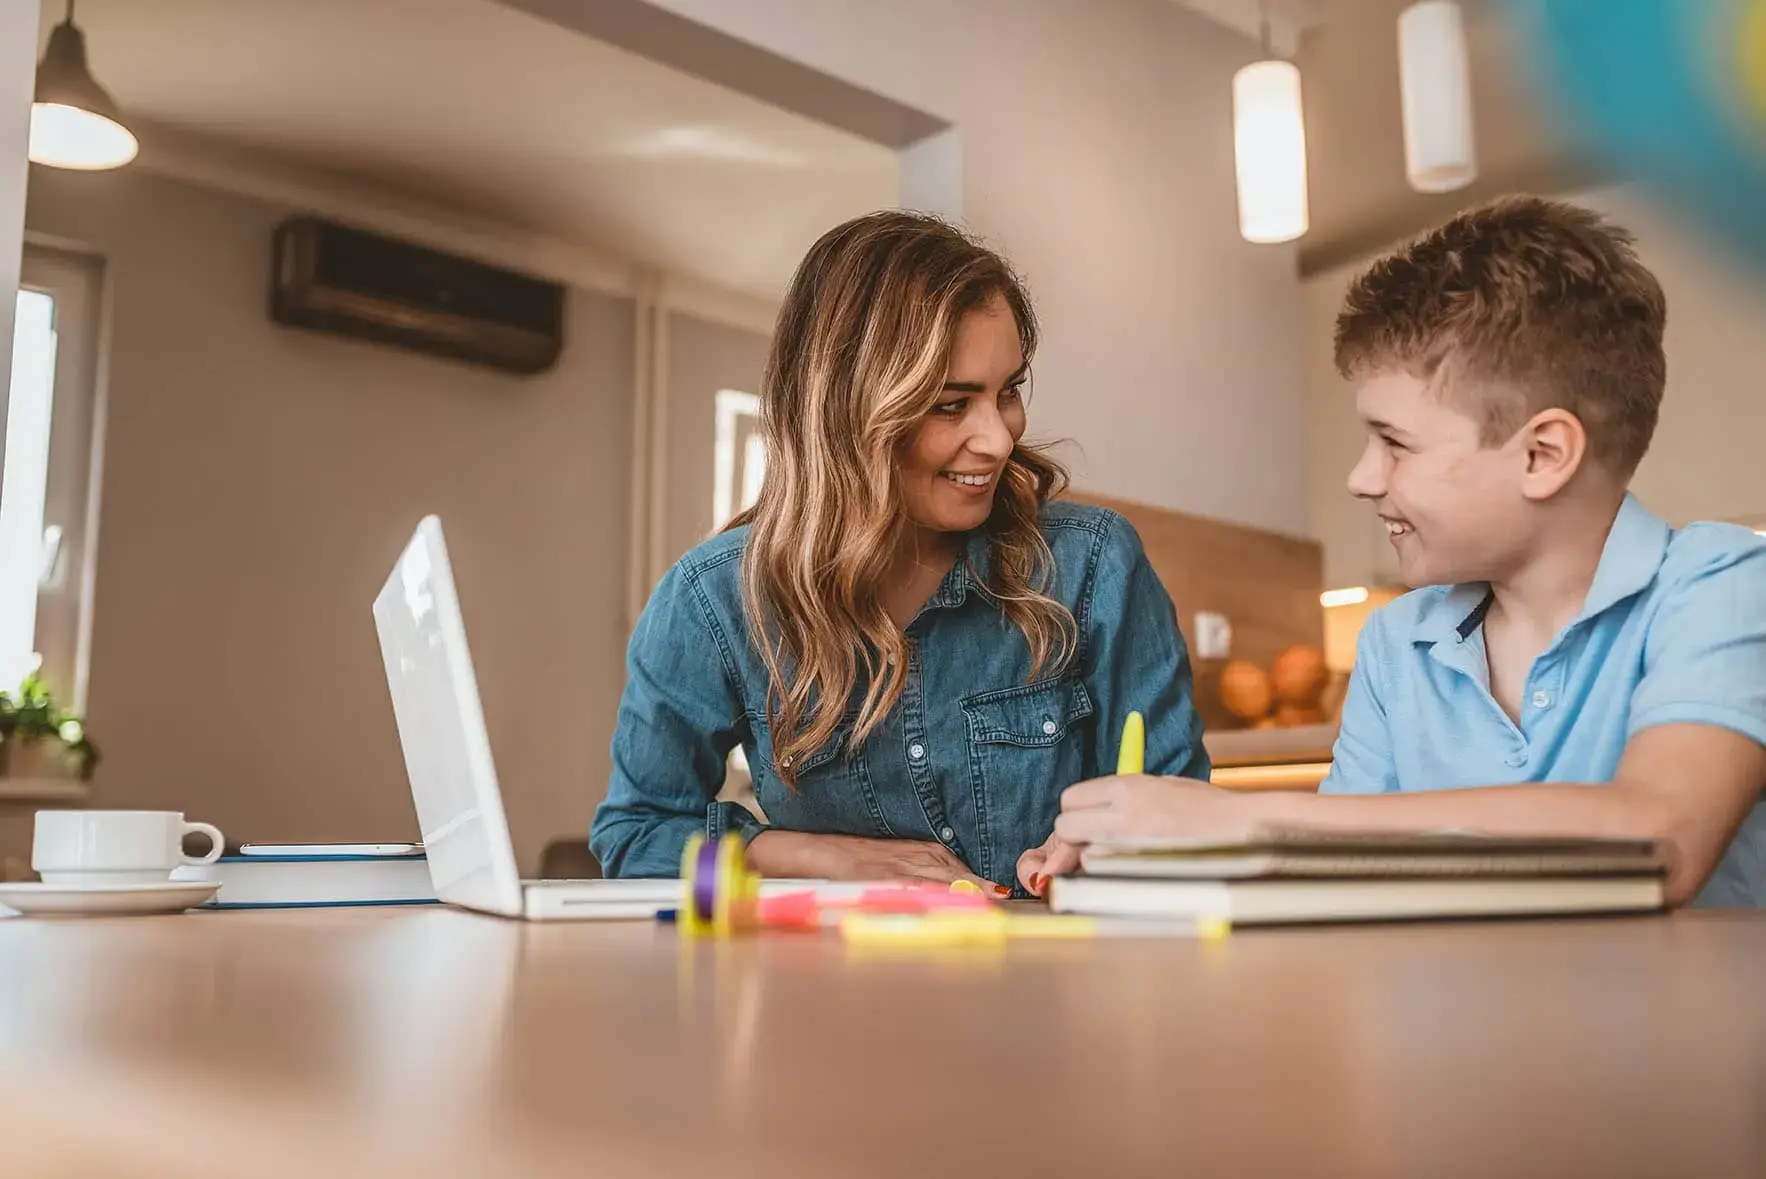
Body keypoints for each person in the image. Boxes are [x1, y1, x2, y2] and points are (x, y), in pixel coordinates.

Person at [1039, 196, 1766, 907]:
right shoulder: (1397, 640)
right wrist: (1152, 844)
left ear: (1543, 454)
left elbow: (1662, 839)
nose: (1361, 477)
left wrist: (1242, 814)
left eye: (1394, 442)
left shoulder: (1721, 585)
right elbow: (1332, 872)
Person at [590, 210, 1208, 893]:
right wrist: (825, 857)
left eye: (1008, 392)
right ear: (847, 412)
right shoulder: (715, 601)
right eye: (951, 404)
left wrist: (1109, 852)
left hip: (1057, 992)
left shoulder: (1093, 565)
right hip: (838, 993)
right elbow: (638, 833)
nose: (998, 440)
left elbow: (1185, 825)